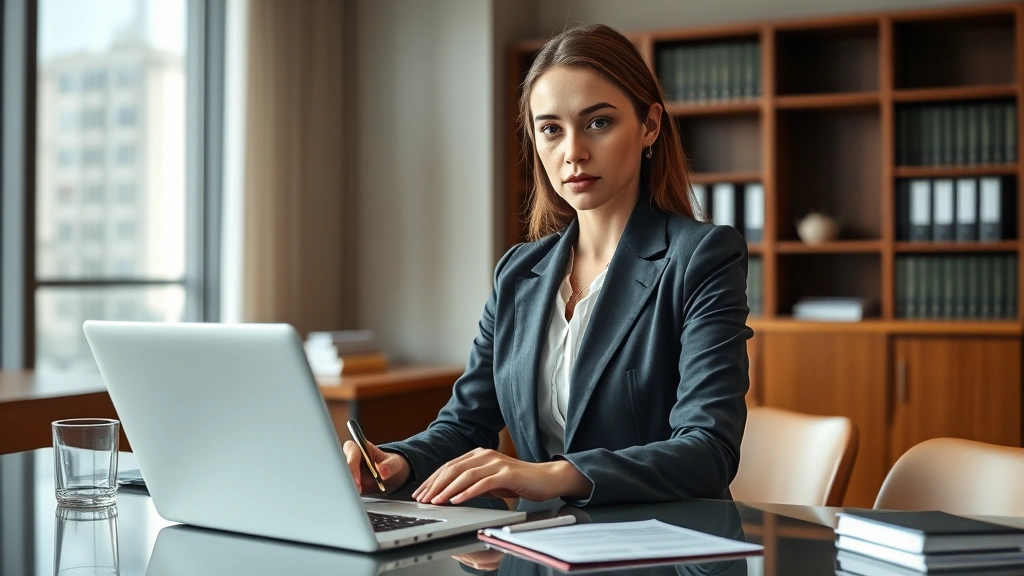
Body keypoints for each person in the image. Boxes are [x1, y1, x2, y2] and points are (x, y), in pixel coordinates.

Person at [344, 23, 753, 508]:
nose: (573, 152)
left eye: (598, 122)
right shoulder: (519, 272)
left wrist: (554, 476)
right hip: (538, 547)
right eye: (551, 129)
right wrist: (395, 462)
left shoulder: (702, 257)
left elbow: (707, 451)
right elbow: (465, 424)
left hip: (662, 547)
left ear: (650, 125)